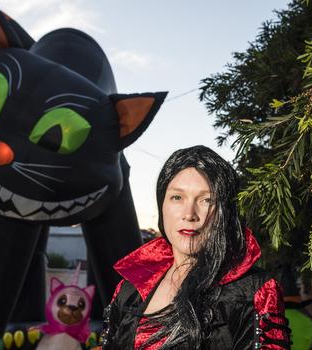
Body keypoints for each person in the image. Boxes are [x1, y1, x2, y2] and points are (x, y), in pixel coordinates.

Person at [100, 145, 291, 349]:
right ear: (162, 204)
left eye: (206, 200)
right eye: (177, 197)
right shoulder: (129, 290)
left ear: (225, 213)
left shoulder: (254, 291)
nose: (189, 214)